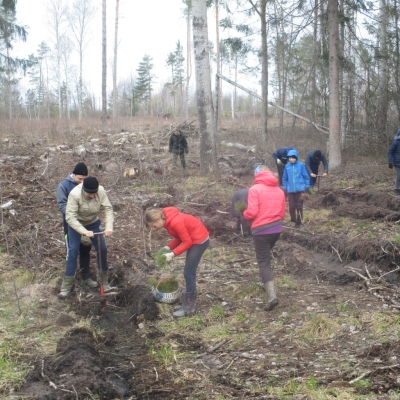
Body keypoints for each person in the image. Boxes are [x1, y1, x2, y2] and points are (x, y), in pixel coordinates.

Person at [145, 207, 209, 318]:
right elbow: (180, 237)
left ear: (158, 220)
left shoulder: (175, 221)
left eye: (153, 226)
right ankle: (187, 304)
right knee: (188, 272)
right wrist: (168, 247)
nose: (154, 228)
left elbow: (187, 242)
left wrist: (172, 254)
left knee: (189, 272)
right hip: (193, 238)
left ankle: (189, 307)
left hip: (199, 240)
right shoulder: (168, 222)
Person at [59, 176, 114, 298]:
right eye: (89, 194)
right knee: (73, 251)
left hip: (93, 222)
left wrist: (109, 226)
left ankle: (103, 281)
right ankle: (66, 286)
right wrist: (83, 231)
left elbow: (108, 209)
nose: (92, 196)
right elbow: (70, 217)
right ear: (84, 190)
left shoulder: (100, 191)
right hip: (76, 224)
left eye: (94, 193)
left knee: (102, 249)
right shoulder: (74, 194)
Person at [243, 169, 286, 311]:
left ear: (258, 177)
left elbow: (252, 212)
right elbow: (282, 213)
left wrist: (244, 213)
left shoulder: (254, 189)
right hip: (276, 230)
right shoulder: (279, 191)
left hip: (261, 231)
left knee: (263, 262)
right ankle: (267, 282)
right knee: (266, 258)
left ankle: (272, 296)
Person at [56, 162, 97, 289]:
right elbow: (62, 205)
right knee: (72, 251)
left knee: (85, 250)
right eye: (80, 179)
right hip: (71, 224)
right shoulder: (63, 186)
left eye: (84, 179)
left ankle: (86, 277)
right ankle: (68, 282)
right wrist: (75, 215)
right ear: (73, 175)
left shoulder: (87, 186)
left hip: (87, 224)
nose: (82, 182)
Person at [282, 149, 310, 229]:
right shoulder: (287, 166)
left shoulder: (301, 165)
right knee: (291, 206)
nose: (291, 159)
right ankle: (293, 221)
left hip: (299, 190)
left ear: (296, 158)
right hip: (290, 190)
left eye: (293, 158)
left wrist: (306, 186)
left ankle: (299, 222)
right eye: (290, 158)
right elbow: (284, 178)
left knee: (299, 206)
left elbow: (306, 177)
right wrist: (285, 187)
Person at [388, 130, 400, 195]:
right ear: (398, 135)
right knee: (399, 176)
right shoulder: (395, 142)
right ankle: (397, 189)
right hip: (397, 162)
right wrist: (390, 162)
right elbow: (390, 152)